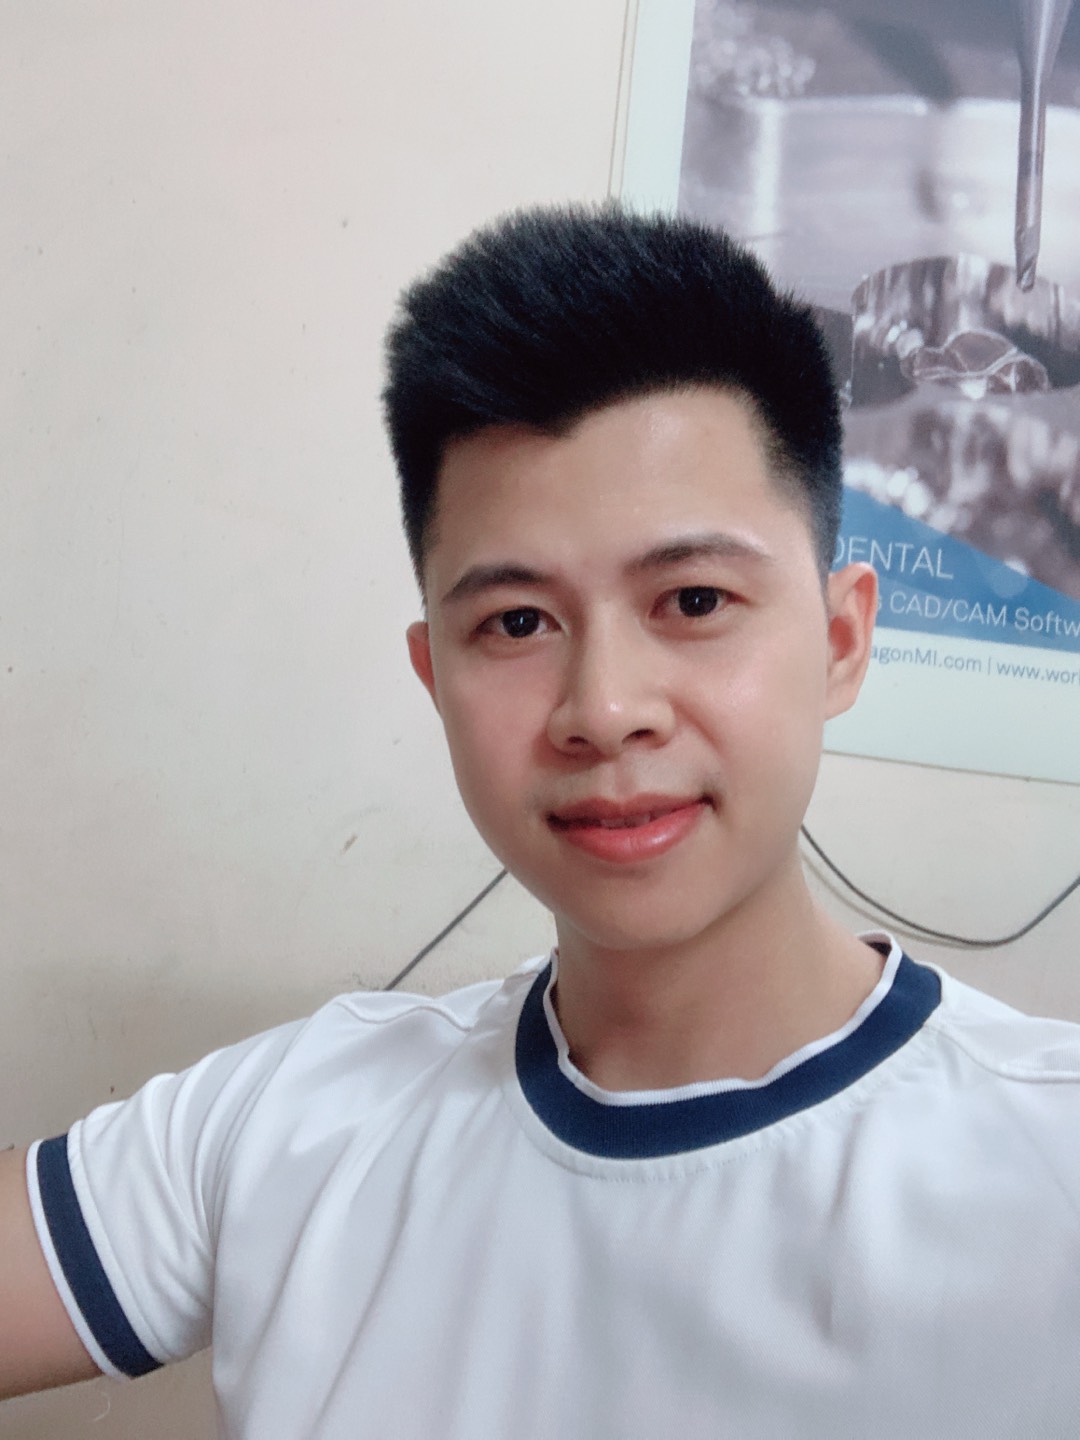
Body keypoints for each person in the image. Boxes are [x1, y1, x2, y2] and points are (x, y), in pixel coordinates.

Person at [2, 205, 1079, 1438]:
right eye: (516, 623)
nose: (604, 710)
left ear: (840, 640)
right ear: (435, 677)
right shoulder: (286, 1123)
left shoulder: (1047, 1167)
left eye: (693, 599)